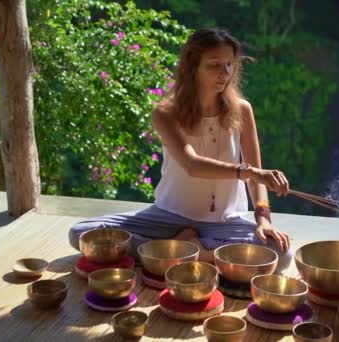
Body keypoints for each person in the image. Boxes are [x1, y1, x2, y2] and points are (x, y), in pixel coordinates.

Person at [69, 28, 293, 272]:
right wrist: (249, 172)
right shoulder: (165, 113)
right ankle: (203, 254)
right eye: (214, 64)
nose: (224, 73)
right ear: (192, 67)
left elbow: (256, 176)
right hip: (169, 216)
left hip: (224, 221)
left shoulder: (242, 110)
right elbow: (192, 164)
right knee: (80, 233)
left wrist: (263, 219)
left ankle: (177, 250)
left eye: (229, 64)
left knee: (281, 254)